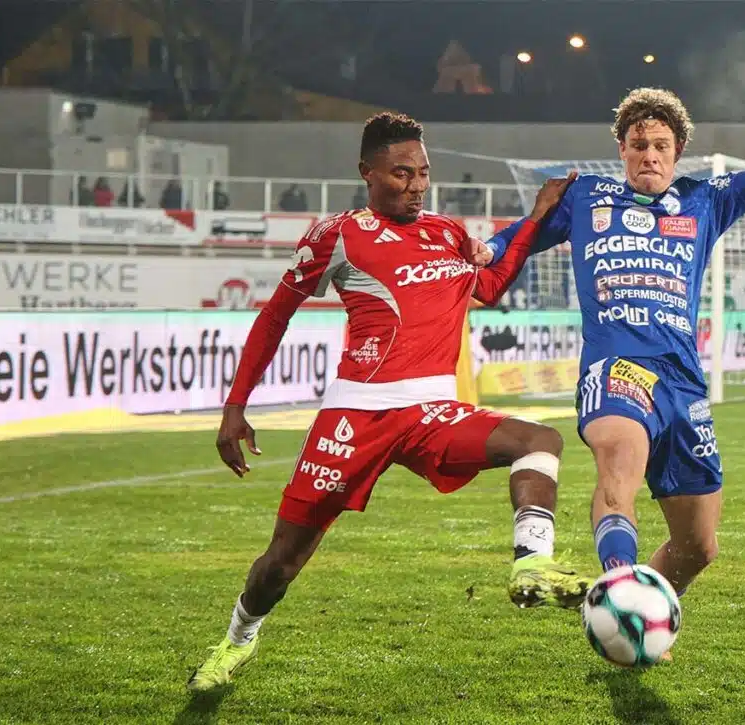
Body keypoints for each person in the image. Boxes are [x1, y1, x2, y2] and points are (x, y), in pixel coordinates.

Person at [186, 113, 590, 692]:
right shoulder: (337, 235)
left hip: (430, 411)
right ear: (367, 173)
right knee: (282, 562)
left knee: (539, 441)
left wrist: (535, 219)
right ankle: (237, 640)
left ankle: (531, 565)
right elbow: (276, 315)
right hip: (355, 414)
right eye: (402, 174)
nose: (416, 185)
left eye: (424, 173)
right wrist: (235, 405)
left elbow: (492, 284)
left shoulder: (448, 232)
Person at [486, 31, 745, 651]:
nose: (649, 156)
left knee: (698, 546)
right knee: (618, 467)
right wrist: (490, 249)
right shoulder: (586, 197)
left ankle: (622, 615)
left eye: (661, 146)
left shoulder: (707, 201)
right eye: (638, 145)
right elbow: (521, 234)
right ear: (622, 148)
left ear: (678, 151)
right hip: (617, 367)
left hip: (682, 382)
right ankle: (617, 585)